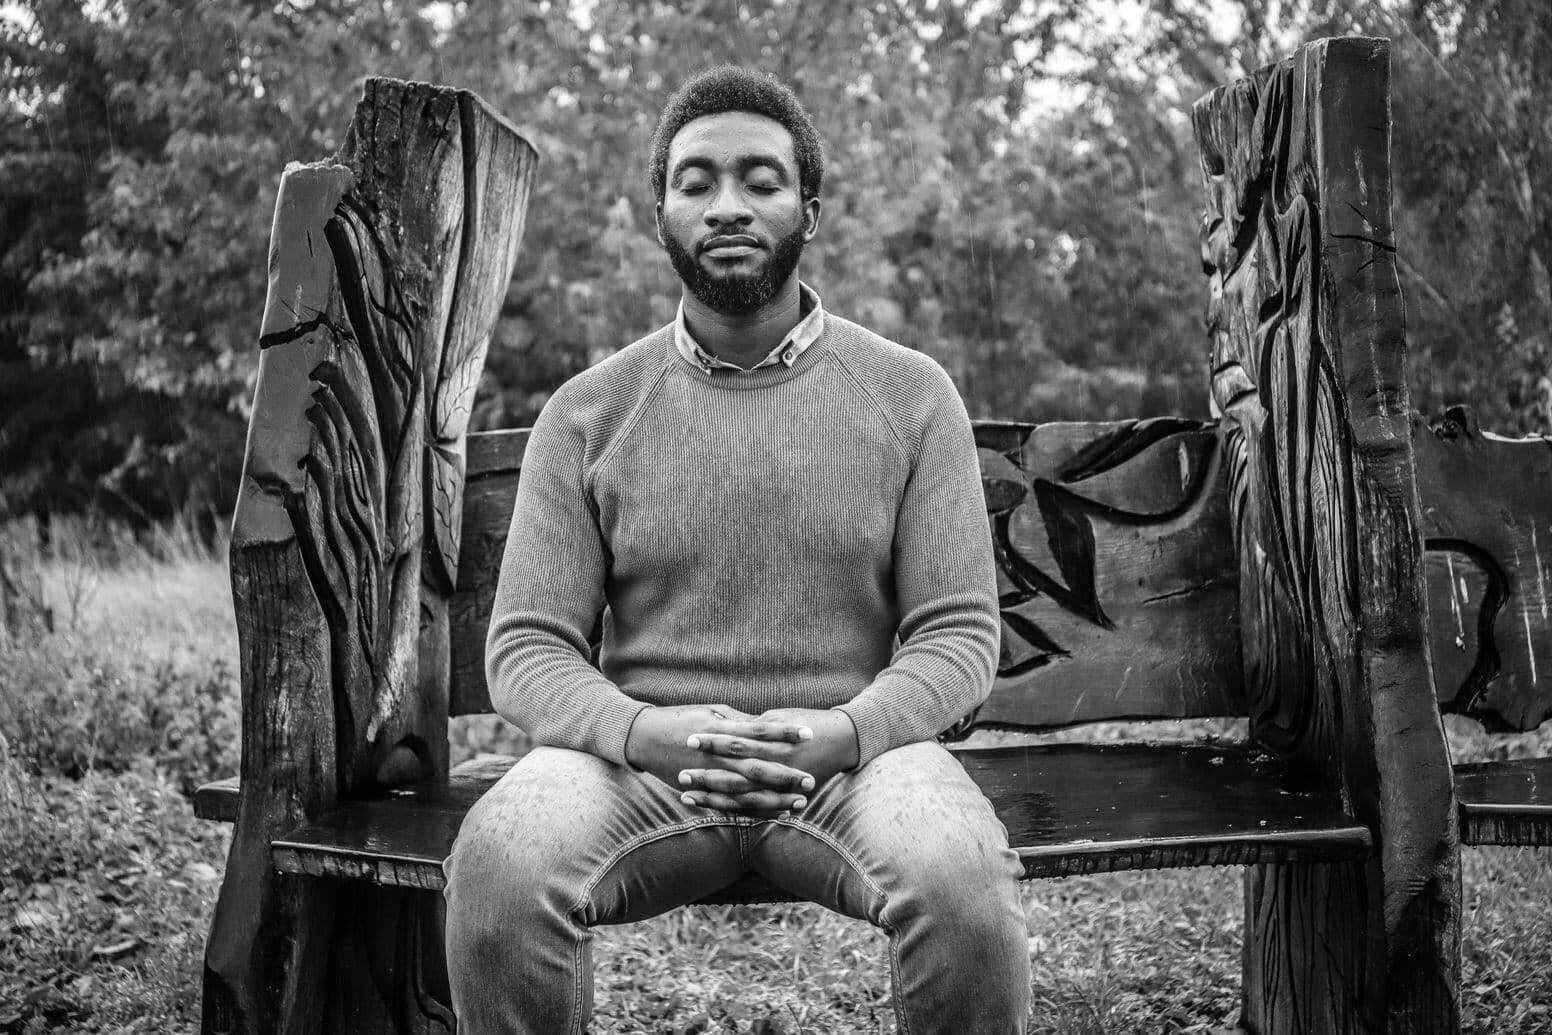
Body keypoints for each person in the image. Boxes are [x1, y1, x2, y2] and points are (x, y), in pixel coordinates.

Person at [444, 65, 1029, 1033]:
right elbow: (527, 649)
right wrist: (643, 732)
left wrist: (842, 731)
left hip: (854, 761)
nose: (727, 205)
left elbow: (959, 634)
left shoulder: (910, 394)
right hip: (643, 767)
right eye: (696, 181)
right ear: (660, 212)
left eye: (760, 180)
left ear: (810, 207)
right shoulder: (590, 411)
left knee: (961, 889)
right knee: (502, 867)